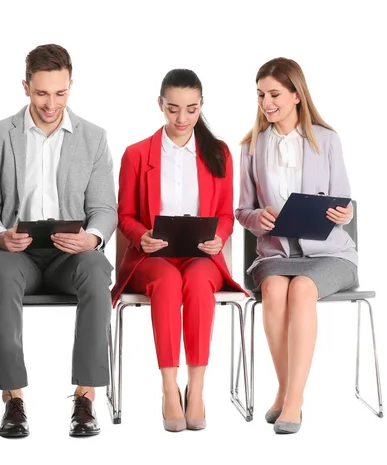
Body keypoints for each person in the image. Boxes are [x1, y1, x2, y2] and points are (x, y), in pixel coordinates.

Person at [0, 44, 117, 438]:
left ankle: (85, 398)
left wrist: (92, 237)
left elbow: (105, 207)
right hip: (17, 253)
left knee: (96, 269)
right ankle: (13, 400)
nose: (51, 103)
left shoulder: (93, 138)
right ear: (25, 87)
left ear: (71, 86)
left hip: (71, 254)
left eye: (60, 93)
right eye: (41, 93)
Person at [111, 69, 244, 432]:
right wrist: (142, 236)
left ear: (201, 106)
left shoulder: (218, 153)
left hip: (203, 255)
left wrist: (220, 236)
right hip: (153, 256)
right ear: (160, 105)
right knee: (169, 283)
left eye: (191, 109)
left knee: (199, 284)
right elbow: (124, 215)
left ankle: (196, 390)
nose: (182, 119)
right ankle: (170, 389)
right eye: (172, 109)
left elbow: (225, 214)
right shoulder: (137, 154)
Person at [235, 57, 358, 434]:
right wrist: (259, 219)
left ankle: (292, 400)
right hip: (276, 254)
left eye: (274, 94)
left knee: (302, 289)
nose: (266, 102)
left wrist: (344, 214)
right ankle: (288, 391)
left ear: (296, 95)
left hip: (330, 254)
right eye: (260, 95)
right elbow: (243, 210)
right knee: (274, 289)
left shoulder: (327, 140)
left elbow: (345, 201)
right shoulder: (252, 146)